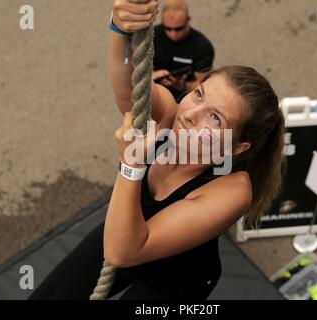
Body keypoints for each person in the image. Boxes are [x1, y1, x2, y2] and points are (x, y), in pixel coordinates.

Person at [29, 0, 285, 300]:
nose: (190, 113)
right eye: (199, 95)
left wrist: (131, 165)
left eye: (215, 118)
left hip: (174, 284)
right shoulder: (170, 114)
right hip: (125, 228)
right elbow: (128, 88)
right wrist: (120, 27)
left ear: (238, 146)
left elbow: (122, 252)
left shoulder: (232, 190)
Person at [152, 0, 215, 101]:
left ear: (188, 20)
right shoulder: (152, 35)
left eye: (178, 29)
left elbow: (203, 87)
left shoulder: (202, 47)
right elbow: (131, 66)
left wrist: (181, 85)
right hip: (152, 92)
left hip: (182, 98)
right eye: (168, 28)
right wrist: (153, 75)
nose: (173, 34)